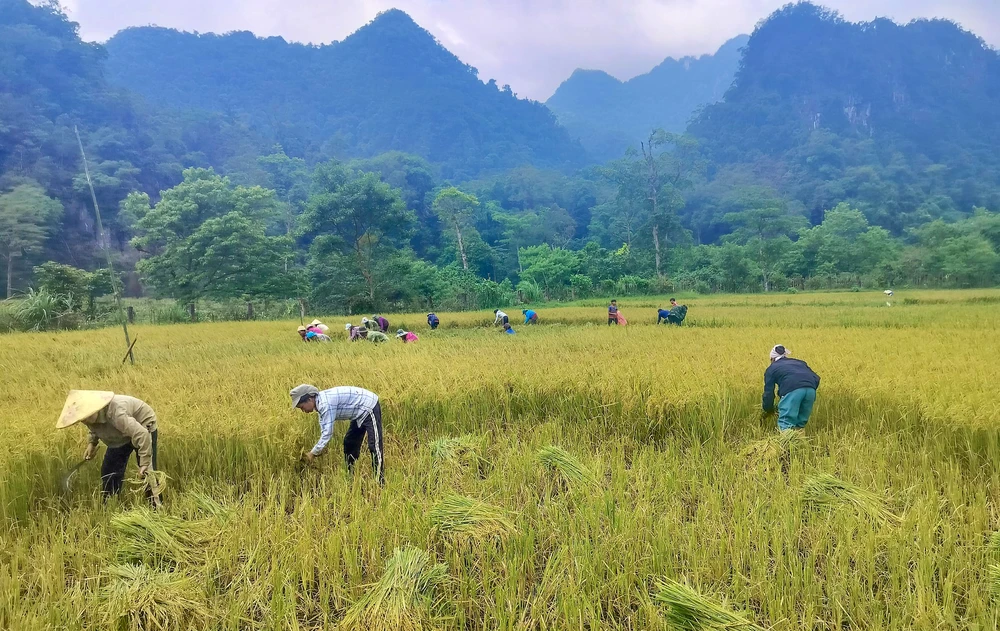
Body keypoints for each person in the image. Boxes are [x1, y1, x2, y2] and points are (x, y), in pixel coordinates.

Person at [56, 390, 160, 502]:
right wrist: (92, 443)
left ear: (95, 408)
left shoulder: (116, 414)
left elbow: (142, 434)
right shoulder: (89, 419)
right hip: (119, 433)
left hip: (143, 425)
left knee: (148, 474)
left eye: (86, 417)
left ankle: (156, 509)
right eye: (82, 419)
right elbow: (95, 427)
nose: (85, 421)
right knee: (109, 471)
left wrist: (144, 463)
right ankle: (111, 504)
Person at [290, 384, 385, 486]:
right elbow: (324, 429)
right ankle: (350, 475)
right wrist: (318, 450)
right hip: (358, 412)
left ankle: (379, 482)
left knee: (374, 445)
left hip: (368, 406)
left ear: (309, 399)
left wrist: (312, 454)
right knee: (349, 442)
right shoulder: (319, 405)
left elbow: (327, 434)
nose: (303, 411)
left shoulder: (325, 405)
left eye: (302, 407)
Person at [762, 345, 821, 431]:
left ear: (772, 359)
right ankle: (799, 442)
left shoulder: (772, 368)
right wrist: (808, 389)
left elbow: (769, 393)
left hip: (793, 391)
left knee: (786, 422)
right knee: (800, 424)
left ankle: (786, 443)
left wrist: (768, 408)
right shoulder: (800, 362)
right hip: (811, 390)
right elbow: (816, 378)